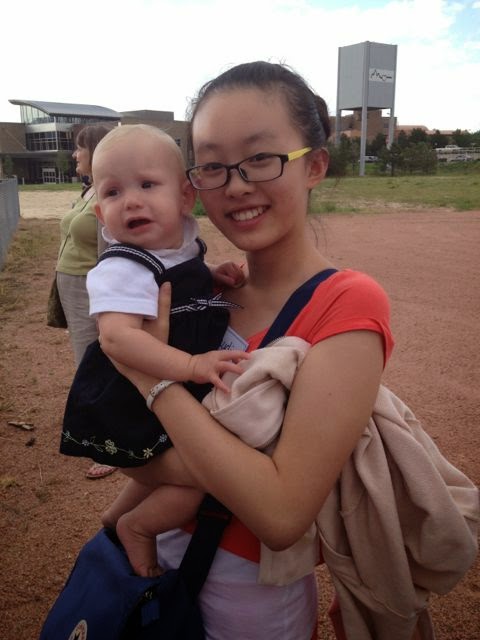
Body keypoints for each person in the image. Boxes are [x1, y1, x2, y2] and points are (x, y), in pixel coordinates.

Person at [104, 60, 395, 639]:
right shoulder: (207, 292)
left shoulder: (347, 303)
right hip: (161, 548)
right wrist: (116, 518)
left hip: (251, 591)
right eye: (213, 165)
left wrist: (151, 382)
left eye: (261, 158)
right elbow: (141, 450)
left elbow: (280, 513)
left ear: (314, 165)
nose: (235, 185)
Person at [60, 124, 249, 577]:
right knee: (200, 478)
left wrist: (209, 275)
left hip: (159, 396)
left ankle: (114, 518)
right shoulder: (122, 267)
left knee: (175, 465)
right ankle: (138, 528)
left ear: (185, 198)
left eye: (147, 185)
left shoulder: (179, 248)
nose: (131, 201)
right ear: (101, 214)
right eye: (112, 192)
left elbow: (175, 275)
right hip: (129, 404)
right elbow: (117, 338)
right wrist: (190, 364)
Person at [55, 123, 117, 480]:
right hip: (72, 288)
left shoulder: (105, 193)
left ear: (96, 150)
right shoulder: (89, 189)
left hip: (88, 290)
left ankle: (110, 443)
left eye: (80, 147)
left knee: (95, 363)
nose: (74, 154)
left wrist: (104, 305)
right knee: (87, 360)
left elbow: (109, 254)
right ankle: (98, 426)